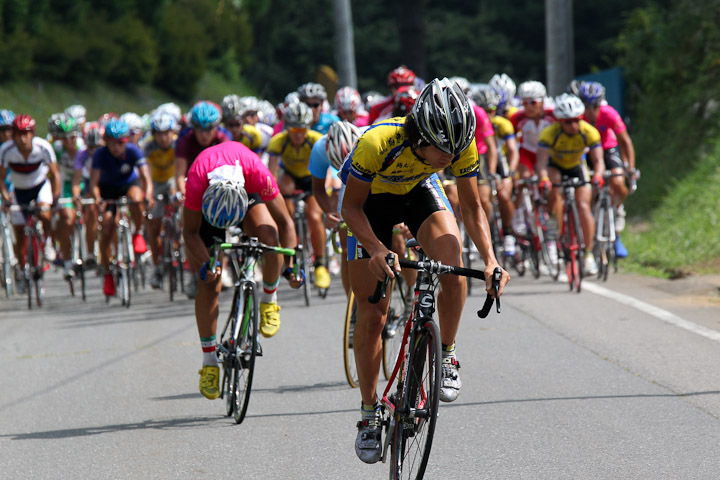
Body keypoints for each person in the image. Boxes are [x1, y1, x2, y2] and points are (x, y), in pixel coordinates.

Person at [341, 78, 509, 464]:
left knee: (452, 265)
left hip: (418, 193)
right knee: (371, 315)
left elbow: (471, 208)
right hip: (370, 207)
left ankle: (446, 353)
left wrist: (490, 259)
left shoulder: (459, 144)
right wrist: (378, 248)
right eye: (441, 150)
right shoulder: (377, 143)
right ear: (419, 136)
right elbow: (350, 208)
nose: (449, 159)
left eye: (455, 151)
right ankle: (369, 414)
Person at [182, 141, 302, 399]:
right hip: (209, 202)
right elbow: (190, 233)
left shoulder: (257, 172)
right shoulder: (195, 181)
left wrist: (290, 267)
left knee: (269, 237)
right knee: (209, 284)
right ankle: (209, 363)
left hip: (245, 193)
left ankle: (269, 299)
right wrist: (208, 265)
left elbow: (286, 222)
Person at [535, 93, 605, 275]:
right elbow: (541, 164)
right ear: (559, 121)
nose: (573, 125)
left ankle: (588, 255)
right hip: (556, 166)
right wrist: (544, 180)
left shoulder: (589, 131)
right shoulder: (549, 133)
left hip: (577, 166)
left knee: (583, 206)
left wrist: (597, 175)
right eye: (567, 122)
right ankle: (554, 228)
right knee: (553, 184)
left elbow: (598, 161)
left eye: (576, 120)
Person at [267, 102, 331, 292]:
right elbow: (271, 174)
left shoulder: (317, 140)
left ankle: (320, 264)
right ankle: (292, 256)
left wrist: (327, 186)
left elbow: (328, 169)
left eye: (302, 129)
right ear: (287, 128)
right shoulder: (278, 141)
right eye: (294, 129)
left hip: (312, 177)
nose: (298, 134)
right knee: (287, 213)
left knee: (314, 216)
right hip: (290, 178)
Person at [570, 80, 637, 257]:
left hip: (607, 149)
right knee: (587, 191)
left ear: (601, 103)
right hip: (586, 151)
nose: (590, 110)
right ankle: (589, 233)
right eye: (586, 105)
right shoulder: (577, 118)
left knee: (617, 181)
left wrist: (629, 168)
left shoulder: (609, 114)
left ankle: (617, 219)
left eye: (595, 105)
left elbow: (625, 142)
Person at [89, 119, 153, 297]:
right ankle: (108, 272)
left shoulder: (133, 150)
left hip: (128, 184)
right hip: (108, 189)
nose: (117, 147)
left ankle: (138, 233)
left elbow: (145, 177)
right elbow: (94, 183)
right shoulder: (100, 155)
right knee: (107, 226)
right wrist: (97, 199)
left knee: (137, 198)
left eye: (121, 142)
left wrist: (148, 194)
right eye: (112, 143)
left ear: (126, 141)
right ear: (106, 142)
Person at [175, 101, 230, 298]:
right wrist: (182, 193)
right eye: (199, 129)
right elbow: (180, 173)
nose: (204, 134)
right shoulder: (185, 141)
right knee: (190, 230)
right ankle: (192, 274)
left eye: (209, 129)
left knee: (220, 230)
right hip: (193, 186)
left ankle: (221, 269)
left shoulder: (224, 139)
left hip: (216, 185)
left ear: (216, 127)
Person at [0, 115, 61, 284]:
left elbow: (55, 175)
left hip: (40, 186)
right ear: (13, 134)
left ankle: (48, 242)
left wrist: (55, 198)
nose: (23, 137)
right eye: (19, 133)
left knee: (44, 212)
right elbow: (1, 178)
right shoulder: (6, 150)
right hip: (19, 190)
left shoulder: (43, 147)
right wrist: (6, 198)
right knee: (19, 234)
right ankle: (22, 271)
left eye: (26, 133)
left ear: (33, 133)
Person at [309, 120, 363, 296]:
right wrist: (329, 213)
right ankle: (352, 308)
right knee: (348, 250)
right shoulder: (319, 149)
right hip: (347, 183)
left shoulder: (369, 138)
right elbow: (317, 189)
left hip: (372, 174)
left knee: (398, 242)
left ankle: (409, 296)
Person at [473, 85, 521, 259]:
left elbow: (510, 150)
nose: (488, 115)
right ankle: (483, 232)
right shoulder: (473, 117)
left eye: (492, 110)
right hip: (479, 156)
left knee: (504, 195)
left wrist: (507, 172)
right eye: (485, 110)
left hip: (498, 159)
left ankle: (508, 232)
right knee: (483, 198)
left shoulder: (503, 124)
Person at [141, 112, 178, 289]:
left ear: (172, 132)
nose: (163, 138)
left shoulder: (178, 144)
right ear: (154, 135)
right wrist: (148, 194)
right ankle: (157, 267)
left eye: (166, 133)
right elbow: (144, 171)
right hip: (155, 183)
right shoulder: (147, 147)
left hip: (173, 180)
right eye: (159, 134)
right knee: (154, 228)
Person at [52, 114, 83, 279]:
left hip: (84, 181)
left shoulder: (83, 146)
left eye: (72, 136)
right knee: (67, 219)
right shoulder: (56, 148)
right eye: (64, 138)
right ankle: (67, 260)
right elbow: (52, 172)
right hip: (66, 184)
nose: (69, 141)